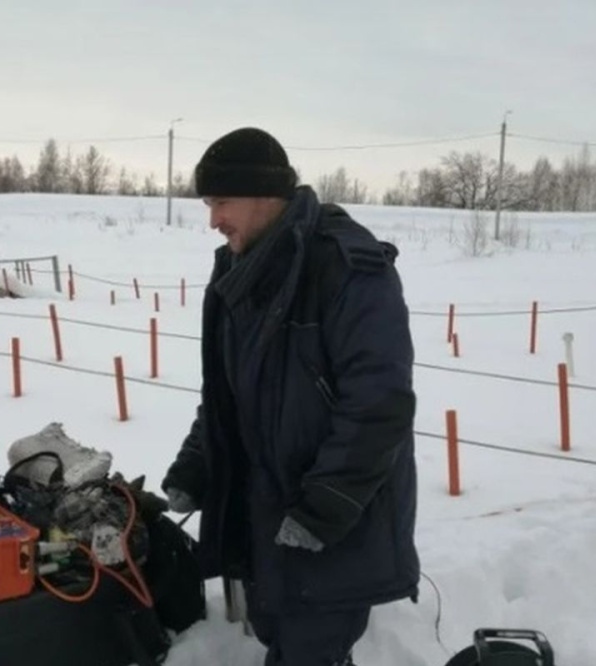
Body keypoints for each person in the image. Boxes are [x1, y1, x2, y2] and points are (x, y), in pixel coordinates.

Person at [162, 127, 418, 666]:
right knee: (281, 637)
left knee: (308, 652)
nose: (213, 219)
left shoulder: (347, 268)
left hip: (330, 527)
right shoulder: (239, 271)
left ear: (264, 196)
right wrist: (195, 468)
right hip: (266, 519)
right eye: (209, 204)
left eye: (221, 202)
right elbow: (227, 396)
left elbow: (379, 405)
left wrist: (325, 509)